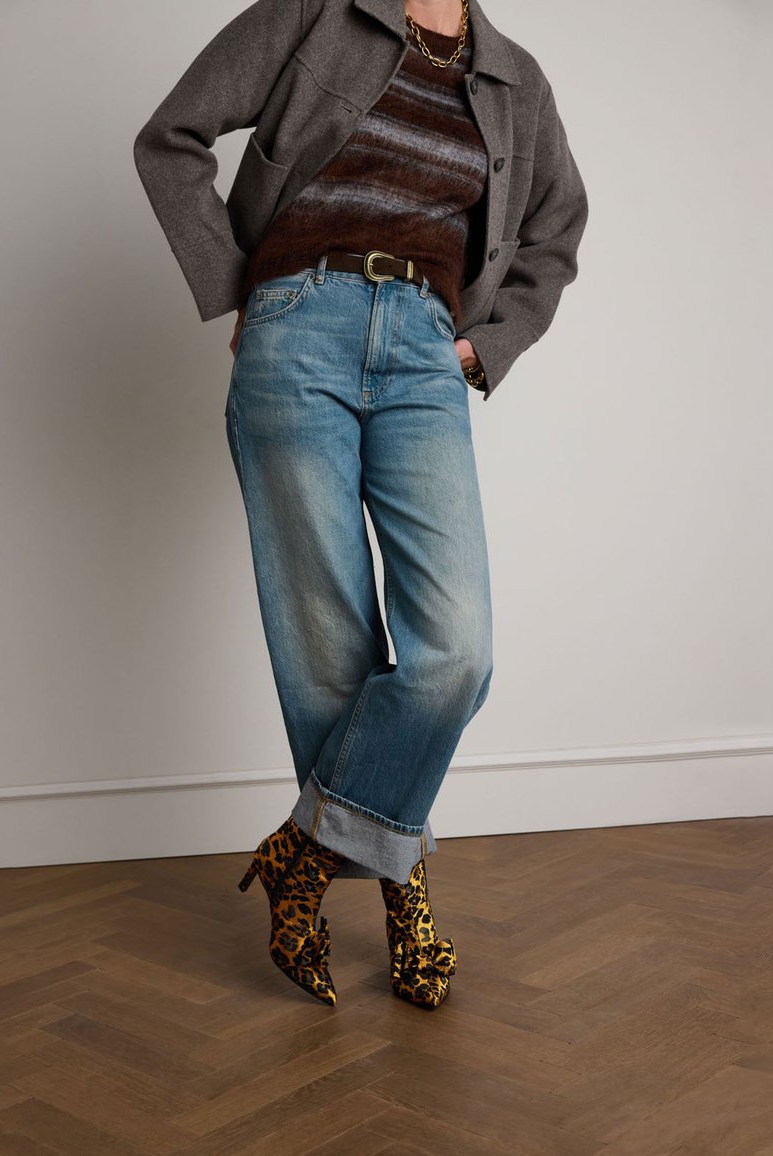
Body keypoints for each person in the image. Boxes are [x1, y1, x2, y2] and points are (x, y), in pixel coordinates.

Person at [134, 0, 588, 1010]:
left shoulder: (513, 79)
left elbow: (553, 230)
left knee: (454, 649)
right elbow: (169, 139)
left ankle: (303, 851)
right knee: (326, 640)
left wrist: (487, 344)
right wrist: (236, 286)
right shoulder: (316, 13)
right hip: (299, 318)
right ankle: (403, 901)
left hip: (428, 344)